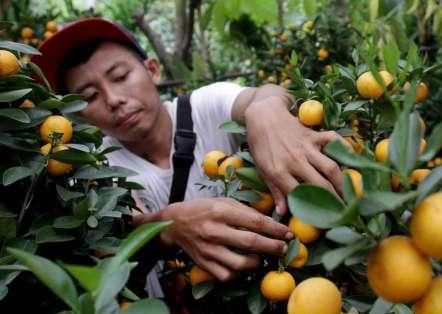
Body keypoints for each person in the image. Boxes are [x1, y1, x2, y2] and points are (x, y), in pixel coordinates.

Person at [32, 18, 345, 283]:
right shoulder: (96, 165)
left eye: (120, 76)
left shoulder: (202, 107)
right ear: (76, 113)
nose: (113, 99)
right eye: (89, 96)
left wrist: (267, 110)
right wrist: (166, 226)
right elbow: (127, 223)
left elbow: (261, 95)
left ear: (152, 70)